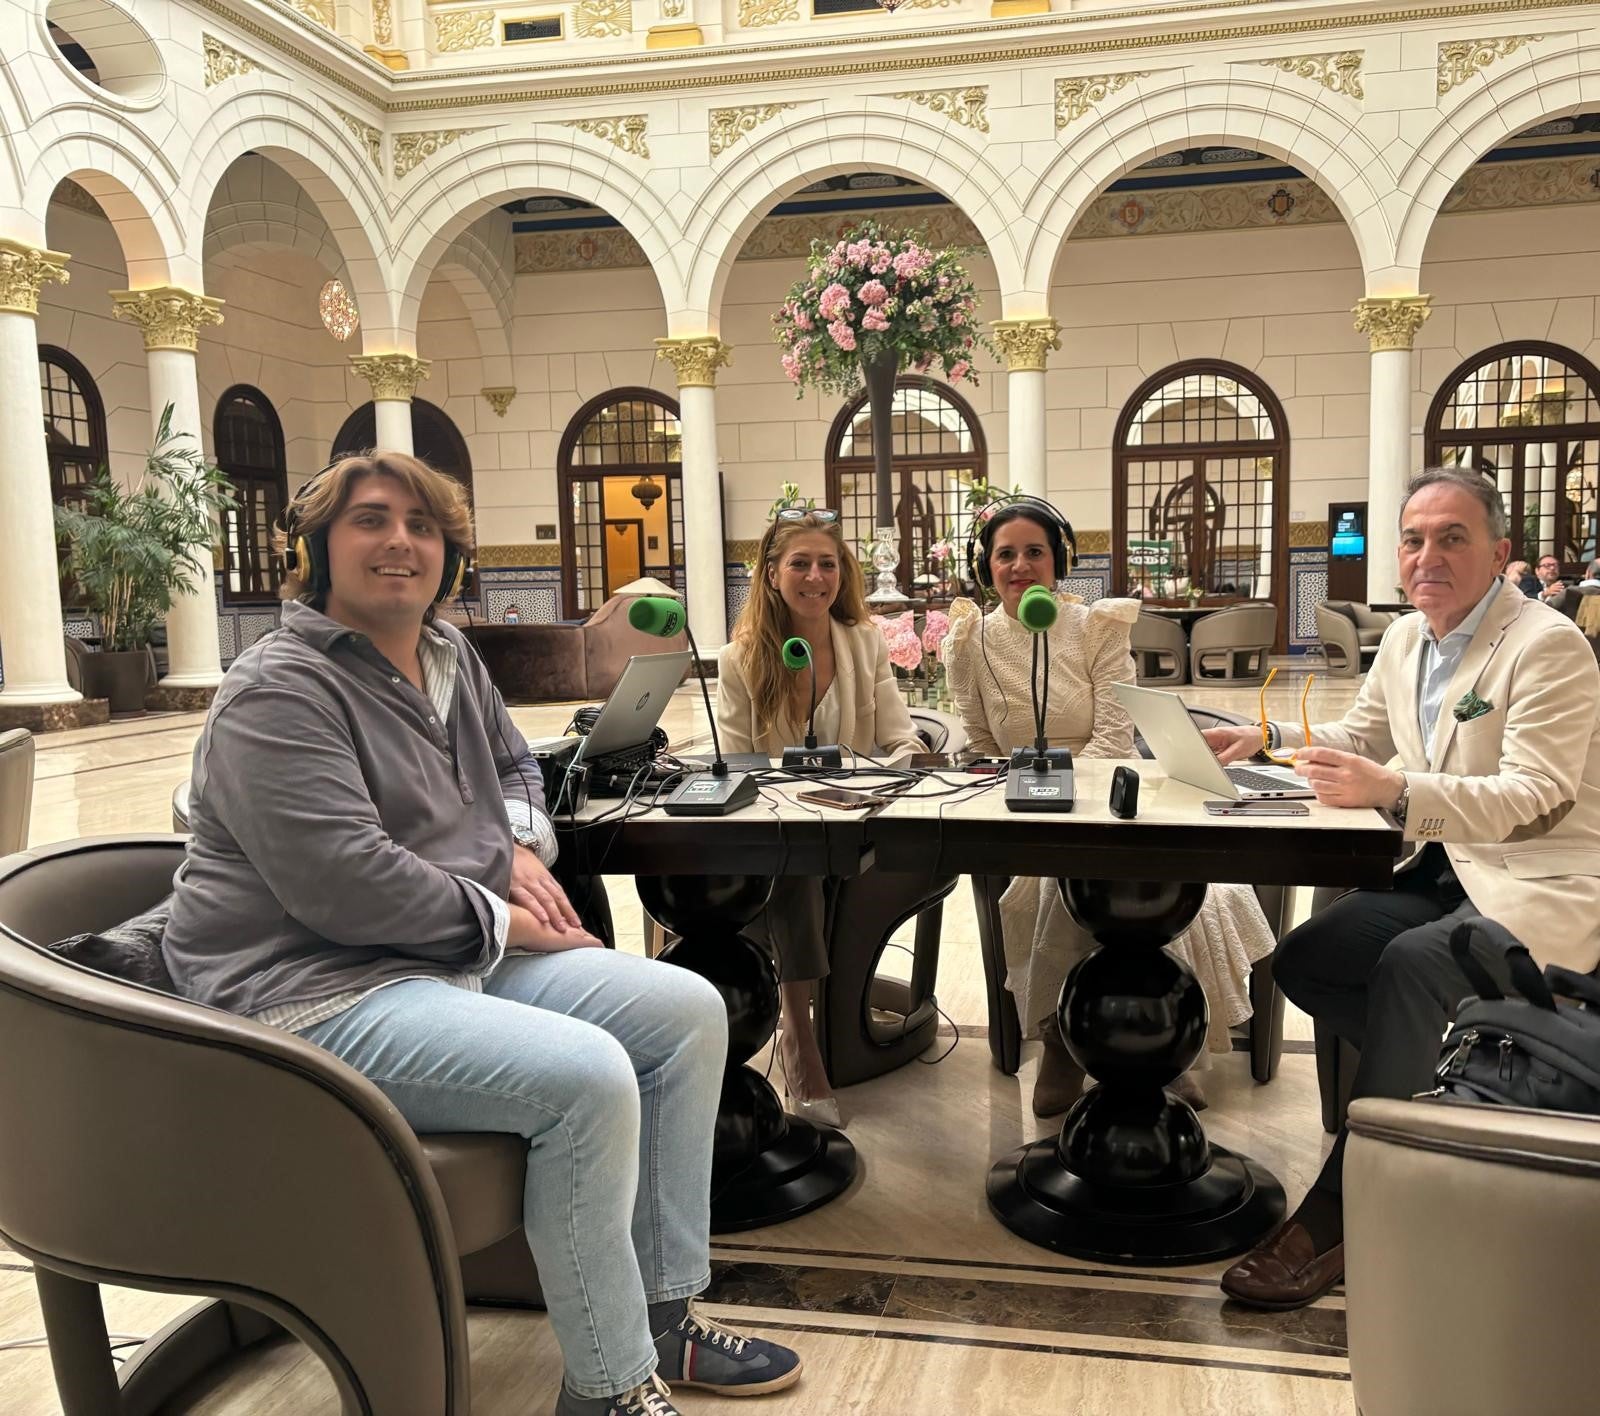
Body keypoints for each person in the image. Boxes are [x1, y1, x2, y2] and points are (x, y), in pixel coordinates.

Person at [163, 452, 802, 1416]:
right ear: (316, 545)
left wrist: (513, 844)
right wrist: (511, 921)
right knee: (585, 1078)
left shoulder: (447, 654)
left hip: (434, 956)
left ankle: (664, 1322)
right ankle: (608, 1387)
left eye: (423, 526)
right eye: (370, 520)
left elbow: (515, 768)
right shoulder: (276, 691)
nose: (400, 543)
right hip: (307, 991)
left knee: (684, 1010)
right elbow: (344, 886)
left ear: (450, 555)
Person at [1204, 467, 1600, 1311]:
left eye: (1452, 537)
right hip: (1445, 870)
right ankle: (1455, 1071)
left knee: (1412, 969)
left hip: (1538, 879)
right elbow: (1362, 734)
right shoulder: (1409, 639)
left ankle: (1348, 1207)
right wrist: (1266, 735)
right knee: (1306, 958)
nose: (1429, 555)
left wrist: (1393, 791)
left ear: (1499, 553)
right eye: (1414, 539)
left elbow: (1538, 796)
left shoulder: (1547, 645)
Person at [942, 499, 1278, 1116]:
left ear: (1060, 560)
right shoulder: (970, 639)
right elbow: (981, 743)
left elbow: (1114, 734)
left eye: (1034, 552)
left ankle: (1129, 1042)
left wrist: (1073, 792)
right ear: (985, 566)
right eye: (1005, 554)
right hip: (1019, 800)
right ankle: (1076, 1040)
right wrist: (1017, 786)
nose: (1020, 566)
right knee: (1049, 879)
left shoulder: (1097, 626)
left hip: (1103, 791)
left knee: (1080, 876)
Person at [716, 509, 930, 1128]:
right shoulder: (741, 659)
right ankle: (799, 1035)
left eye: (827, 563)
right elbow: (737, 760)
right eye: (800, 563)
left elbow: (900, 735)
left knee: (809, 855)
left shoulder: (863, 641)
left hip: (863, 818)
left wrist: (893, 769)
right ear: (772, 574)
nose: (816, 576)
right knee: (797, 860)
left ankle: (800, 1025)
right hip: (782, 829)